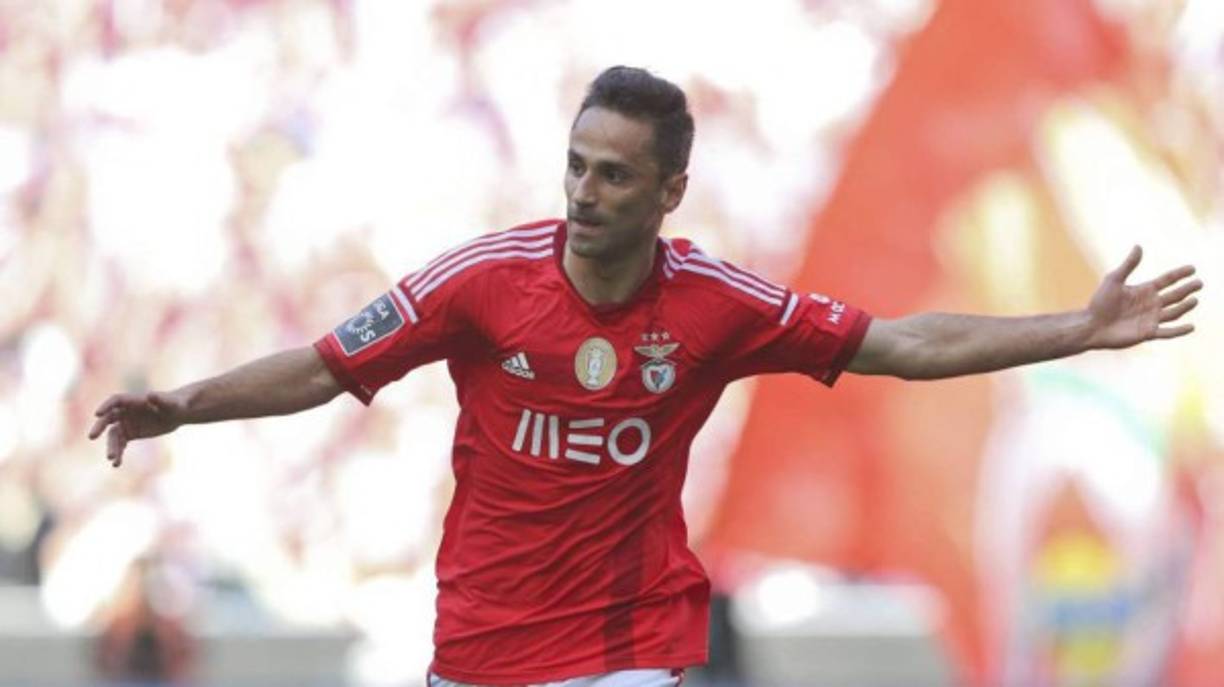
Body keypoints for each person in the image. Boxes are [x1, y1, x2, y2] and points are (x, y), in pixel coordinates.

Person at [88, 66, 1202, 687]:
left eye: (615, 176)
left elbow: (904, 345)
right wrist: (185, 405)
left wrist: (1075, 329)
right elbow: (326, 369)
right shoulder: (484, 283)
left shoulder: (718, 305)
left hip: (625, 652)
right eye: (576, 165)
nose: (584, 192)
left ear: (669, 192)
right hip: (479, 653)